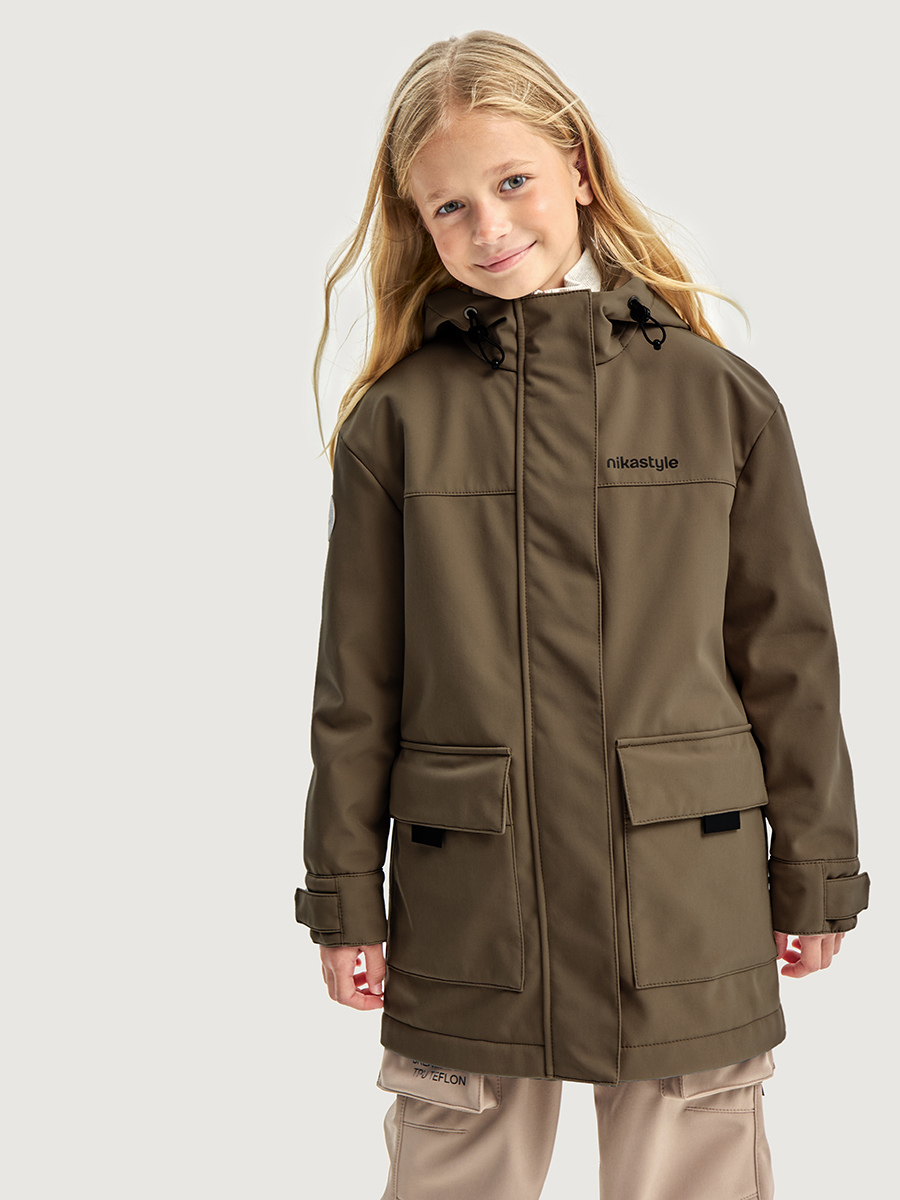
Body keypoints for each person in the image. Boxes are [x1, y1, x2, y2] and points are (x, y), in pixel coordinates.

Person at [294, 29, 870, 1200]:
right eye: (450, 206)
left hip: (683, 886)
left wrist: (816, 869)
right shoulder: (397, 425)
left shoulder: (717, 399)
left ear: (579, 170)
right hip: (473, 892)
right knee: (454, 1171)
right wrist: (346, 897)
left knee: (692, 1173)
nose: (490, 226)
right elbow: (358, 685)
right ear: (418, 224)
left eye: (513, 182)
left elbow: (789, 659)